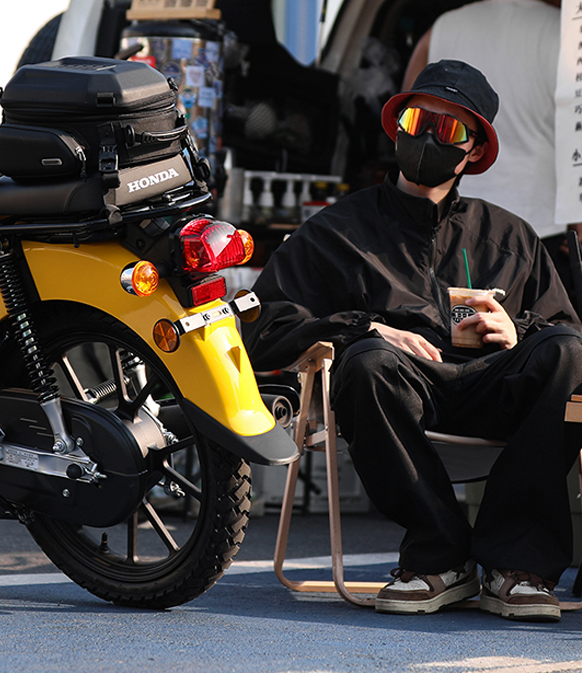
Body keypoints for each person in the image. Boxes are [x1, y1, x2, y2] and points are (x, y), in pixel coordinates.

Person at [244, 59, 582, 622]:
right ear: (396, 127)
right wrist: (362, 326)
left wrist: (516, 330)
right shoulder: (336, 230)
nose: (427, 138)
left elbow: (563, 327)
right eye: (417, 121)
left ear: (475, 150)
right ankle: (438, 558)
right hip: (397, 393)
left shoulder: (510, 236)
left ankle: (517, 566)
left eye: (448, 129)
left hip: (491, 390)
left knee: (568, 352)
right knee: (369, 359)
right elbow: (264, 325)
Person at [403, 0, 573, 281]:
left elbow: (407, 116)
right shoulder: (571, 38)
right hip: (541, 230)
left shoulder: (443, 26)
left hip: (446, 224)